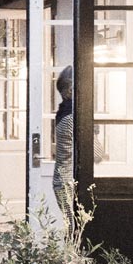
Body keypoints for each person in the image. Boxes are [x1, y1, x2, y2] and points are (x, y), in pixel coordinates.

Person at [53, 65, 76, 223]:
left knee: (71, 227)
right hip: (67, 182)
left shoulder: (65, 113)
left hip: (63, 181)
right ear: (70, 90)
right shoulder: (70, 118)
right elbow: (96, 153)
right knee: (74, 228)